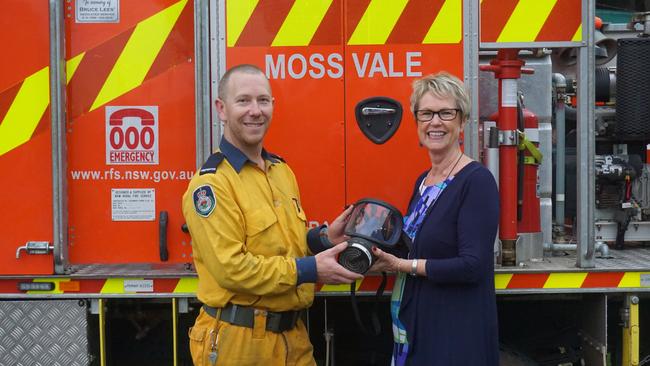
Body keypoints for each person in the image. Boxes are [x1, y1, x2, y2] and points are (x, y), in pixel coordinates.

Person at [182, 64, 362, 366]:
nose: (255, 110)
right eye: (243, 101)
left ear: (273, 106)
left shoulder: (281, 172)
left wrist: (323, 239)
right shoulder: (211, 184)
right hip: (238, 344)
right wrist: (311, 270)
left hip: (293, 338)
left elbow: (283, 247)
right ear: (221, 109)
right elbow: (232, 270)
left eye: (263, 100)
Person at [371, 72, 500, 365]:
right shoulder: (424, 181)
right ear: (417, 122)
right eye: (426, 113)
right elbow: (416, 245)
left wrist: (403, 266)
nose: (435, 122)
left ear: (463, 121)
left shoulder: (476, 181)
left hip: (454, 335)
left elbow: (472, 266)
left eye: (446, 113)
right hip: (417, 328)